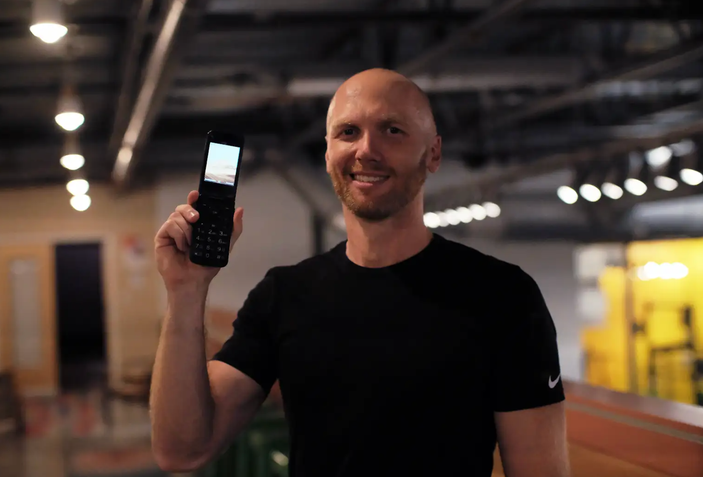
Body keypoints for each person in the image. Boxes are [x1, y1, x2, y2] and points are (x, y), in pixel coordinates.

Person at [150, 68, 570, 477]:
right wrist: (186, 292)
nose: (366, 150)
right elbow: (183, 450)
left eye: (392, 130)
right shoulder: (284, 295)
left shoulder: (504, 296)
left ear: (434, 153)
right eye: (348, 132)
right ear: (328, 150)